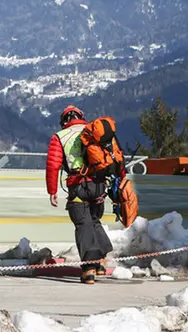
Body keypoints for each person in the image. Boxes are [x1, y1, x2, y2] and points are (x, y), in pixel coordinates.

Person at [45, 104, 113, 284]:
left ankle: (89, 269)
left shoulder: (59, 137)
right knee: (95, 220)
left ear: (64, 121)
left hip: (78, 186)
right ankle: (100, 261)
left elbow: (53, 165)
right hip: (99, 185)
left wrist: (52, 190)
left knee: (83, 224)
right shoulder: (94, 131)